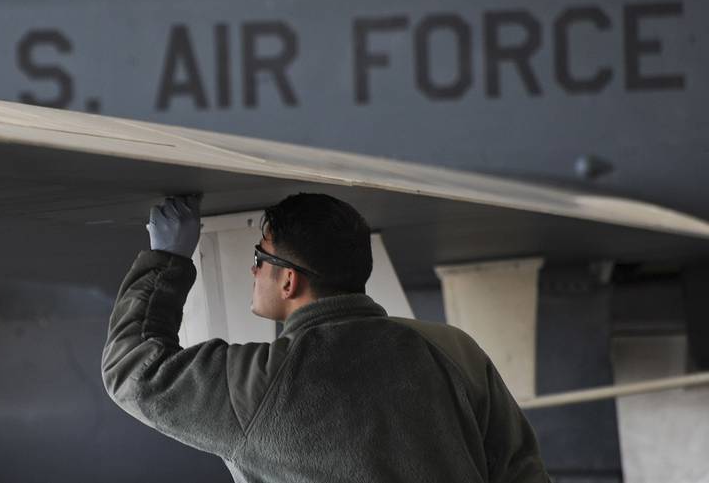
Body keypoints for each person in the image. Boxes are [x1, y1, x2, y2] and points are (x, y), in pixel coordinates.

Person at [102, 193, 550, 482]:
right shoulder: (452, 349)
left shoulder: (258, 385)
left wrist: (167, 259)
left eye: (260, 257)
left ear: (289, 281)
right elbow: (521, 472)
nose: (253, 269)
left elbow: (133, 370)